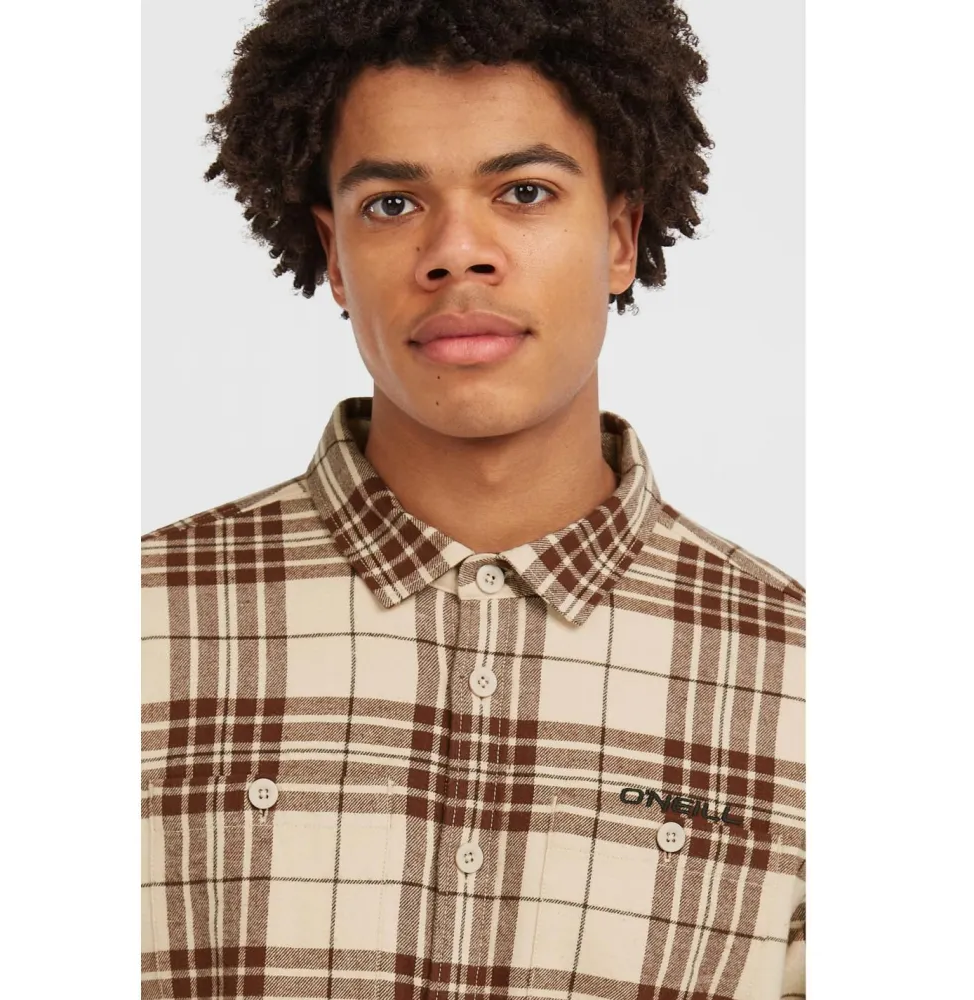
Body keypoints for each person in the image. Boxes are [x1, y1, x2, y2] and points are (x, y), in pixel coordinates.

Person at [141, 1, 806, 997]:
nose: (457, 251)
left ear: (619, 236)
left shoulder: (807, 684)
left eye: (524, 192)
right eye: (391, 205)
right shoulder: (130, 630)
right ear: (334, 255)